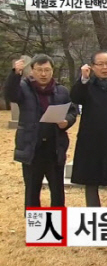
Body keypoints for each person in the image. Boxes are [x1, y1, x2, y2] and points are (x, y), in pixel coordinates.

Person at [5, 55, 77, 210]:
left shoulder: (61, 91)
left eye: (47, 70)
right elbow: (10, 95)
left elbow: (72, 111)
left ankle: (57, 225)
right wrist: (15, 75)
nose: (43, 74)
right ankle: (35, 227)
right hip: (31, 147)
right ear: (32, 71)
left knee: (57, 191)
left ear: (52, 71)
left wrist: (67, 121)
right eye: (39, 70)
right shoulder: (24, 88)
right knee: (32, 190)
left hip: (54, 148)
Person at [70, 50, 107, 207]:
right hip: (90, 141)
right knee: (91, 181)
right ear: (92, 67)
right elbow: (75, 97)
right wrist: (83, 79)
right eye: (100, 64)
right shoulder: (86, 85)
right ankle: (93, 215)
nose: (105, 67)